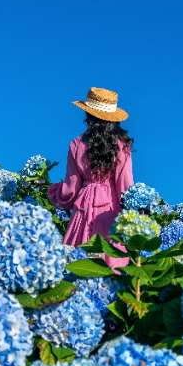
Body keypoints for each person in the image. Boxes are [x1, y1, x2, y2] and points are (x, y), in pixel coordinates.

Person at [48, 87, 133, 249]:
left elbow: (70, 190)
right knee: (112, 260)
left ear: (88, 115)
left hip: (83, 207)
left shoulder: (76, 144)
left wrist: (53, 192)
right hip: (110, 209)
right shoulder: (122, 146)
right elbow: (125, 186)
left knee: (77, 260)